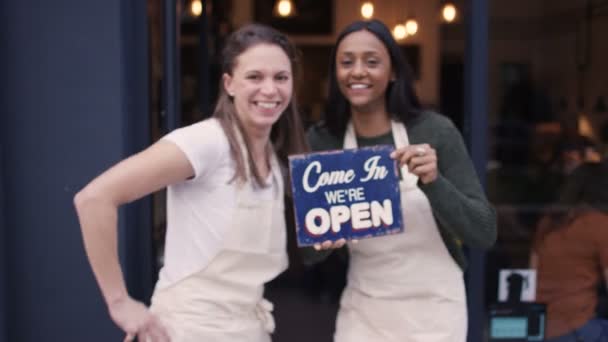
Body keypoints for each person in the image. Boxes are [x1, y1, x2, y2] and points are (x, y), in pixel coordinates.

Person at [74, 23, 307, 342]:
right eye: (255, 77)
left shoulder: (272, 157)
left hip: (249, 329)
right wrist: (119, 302)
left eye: (281, 77)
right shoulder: (205, 142)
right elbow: (94, 199)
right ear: (229, 83)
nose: (270, 90)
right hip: (188, 330)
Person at [302, 19, 497, 341]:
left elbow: (483, 232)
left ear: (393, 72)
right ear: (335, 74)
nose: (358, 71)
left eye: (372, 61)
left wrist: (434, 181)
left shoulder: (435, 131)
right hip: (364, 313)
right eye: (346, 62)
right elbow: (310, 255)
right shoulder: (323, 140)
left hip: (434, 314)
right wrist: (322, 238)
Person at [530, 162, 608, 341]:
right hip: (577, 326)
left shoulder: (548, 222)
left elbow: (530, 275)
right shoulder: (600, 224)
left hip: (542, 326)